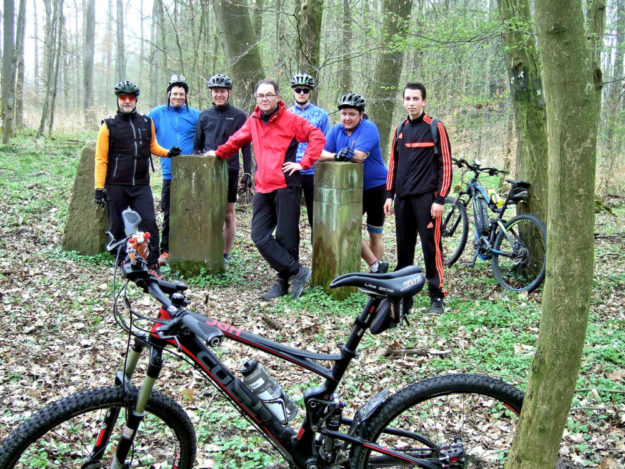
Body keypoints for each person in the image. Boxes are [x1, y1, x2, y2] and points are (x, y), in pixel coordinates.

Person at [204, 79, 325, 300]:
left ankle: (282, 284)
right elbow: (236, 140)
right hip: (263, 186)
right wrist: (218, 153)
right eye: (261, 95)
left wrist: (303, 163)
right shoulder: (254, 120)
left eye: (269, 95)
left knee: (287, 237)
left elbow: (317, 136)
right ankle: (298, 272)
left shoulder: (291, 120)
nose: (265, 99)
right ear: (256, 99)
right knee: (259, 236)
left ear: (278, 97)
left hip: (287, 185)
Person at [94, 80, 181, 274]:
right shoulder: (108, 126)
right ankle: (122, 262)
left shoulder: (145, 122)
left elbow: (152, 147)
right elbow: (101, 159)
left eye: (130, 98)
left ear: (135, 100)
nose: (127, 101)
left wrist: (168, 153)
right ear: (118, 100)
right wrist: (99, 188)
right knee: (116, 226)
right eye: (123, 98)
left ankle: (152, 264)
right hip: (116, 185)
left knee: (149, 223)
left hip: (141, 185)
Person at [384, 82, 452, 315]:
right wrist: (389, 195)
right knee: (404, 250)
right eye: (407, 99)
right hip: (402, 199)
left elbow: (445, 165)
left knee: (431, 247)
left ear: (424, 101)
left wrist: (440, 199)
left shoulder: (435, 127)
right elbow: (393, 163)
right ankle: (405, 295)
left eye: (415, 99)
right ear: (403, 101)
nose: (411, 103)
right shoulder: (400, 128)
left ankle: (437, 295)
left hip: (427, 199)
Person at [319, 93, 389, 274]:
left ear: (361, 115)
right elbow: (319, 154)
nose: (347, 118)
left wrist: (346, 154)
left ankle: (374, 275)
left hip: (376, 186)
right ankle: (376, 266)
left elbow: (359, 157)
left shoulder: (369, 128)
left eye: (352, 114)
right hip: (352, 188)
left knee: (375, 232)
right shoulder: (336, 130)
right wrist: (335, 155)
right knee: (348, 227)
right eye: (344, 114)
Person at [193, 73, 253, 267]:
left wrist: (248, 171)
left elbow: (246, 145)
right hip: (208, 169)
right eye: (215, 91)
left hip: (231, 168)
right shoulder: (204, 116)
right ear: (211, 93)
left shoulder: (239, 116)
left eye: (222, 91)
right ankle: (208, 249)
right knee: (208, 210)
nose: (218, 95)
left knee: (228, 212)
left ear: (228, 92)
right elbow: (197, 147)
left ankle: (225, 254)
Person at [147, 74, 200, 266]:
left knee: (192, 209)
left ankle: (190, 245)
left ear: (186, 96)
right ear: (169, 94)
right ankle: (166, 249)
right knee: (169, 211)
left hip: (192, 171)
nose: (178, 97)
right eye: (174, 93)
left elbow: (205, 134)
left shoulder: (196, 115)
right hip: (169, 171)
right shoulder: (157, 113)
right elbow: (141, 127)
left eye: (181, 94)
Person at [288, 73, 330, 230]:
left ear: (310, 92)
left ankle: (317, 252)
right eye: (298, 90)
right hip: (293, 170)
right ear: (293, 91)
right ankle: (291, 253)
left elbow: (326, 142)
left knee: (316, 215)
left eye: (305, 90)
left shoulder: (321, 115)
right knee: (291, 215)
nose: (301, 93)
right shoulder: (286, 114)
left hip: (314, 170)